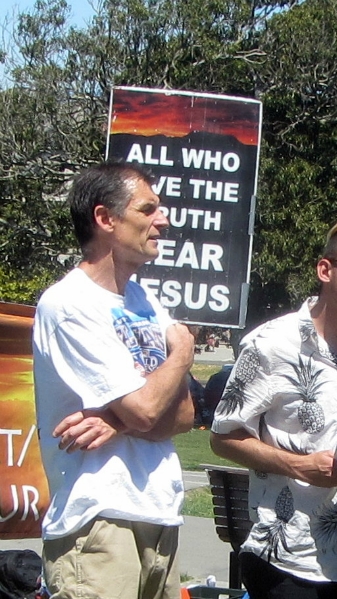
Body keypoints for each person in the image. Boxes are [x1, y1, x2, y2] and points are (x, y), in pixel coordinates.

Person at [210, 217, 337, 599]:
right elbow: (223, 437)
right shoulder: (271, 345)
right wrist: (301, 467)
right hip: (290, 559)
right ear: (325, 270)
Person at [33, 162, 195, 599]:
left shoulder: (145, 301)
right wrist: (182, 352)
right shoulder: (69, 304)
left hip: (159, 514)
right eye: (148, 209)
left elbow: (183, 414)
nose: (162, 220)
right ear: (106, 219)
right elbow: (146, 408)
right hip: (99, 525)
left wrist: (117, 421)